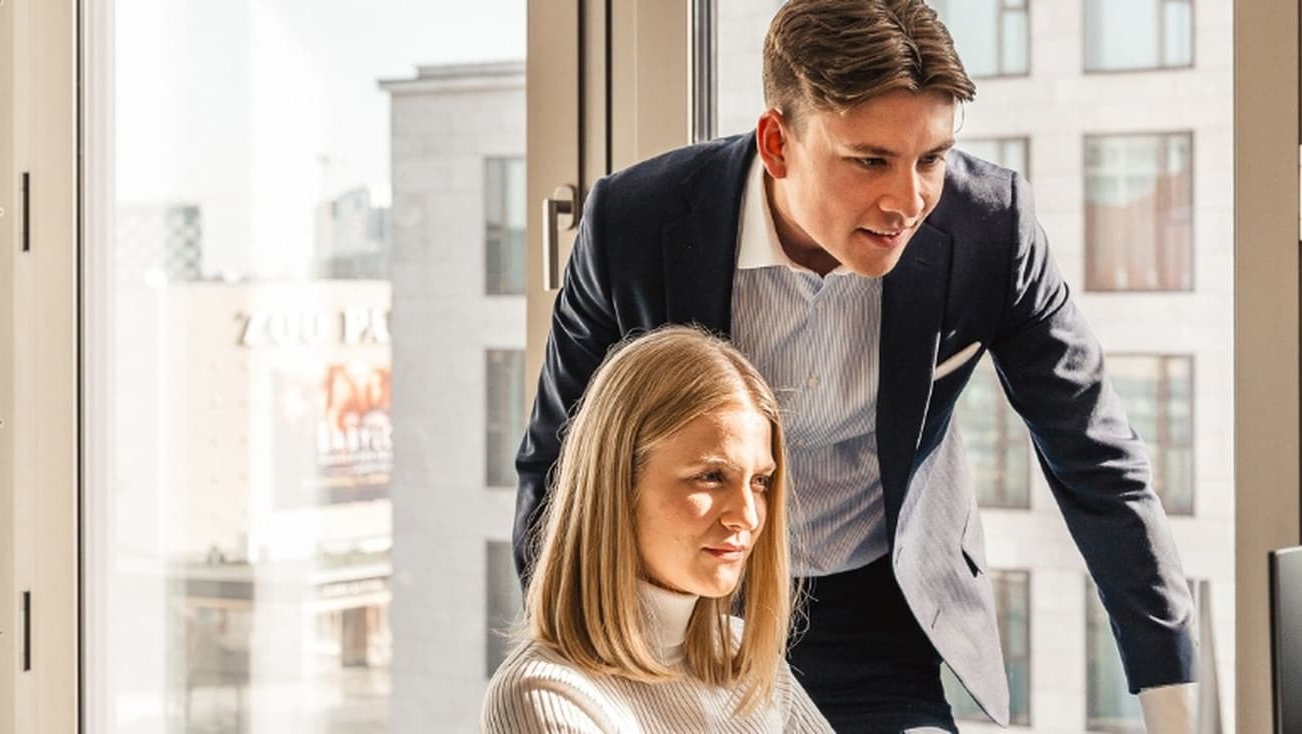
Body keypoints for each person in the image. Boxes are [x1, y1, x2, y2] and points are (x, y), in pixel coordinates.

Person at [515, 0, 1199, 730]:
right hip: (683, 609)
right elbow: (560, 458)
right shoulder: (636, 222)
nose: (909, 202)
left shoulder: (989, 227)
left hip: (872, 612)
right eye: (870, 160)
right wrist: (564, 651)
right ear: (777, 144)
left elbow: (1094, 459)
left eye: (932, 158)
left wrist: (1175, 704)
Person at [484, 327, 832, 733]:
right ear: (617, 485)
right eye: (711, 476)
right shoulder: (545, 693)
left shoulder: (747, 660)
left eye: (760, 481)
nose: (748, 517)